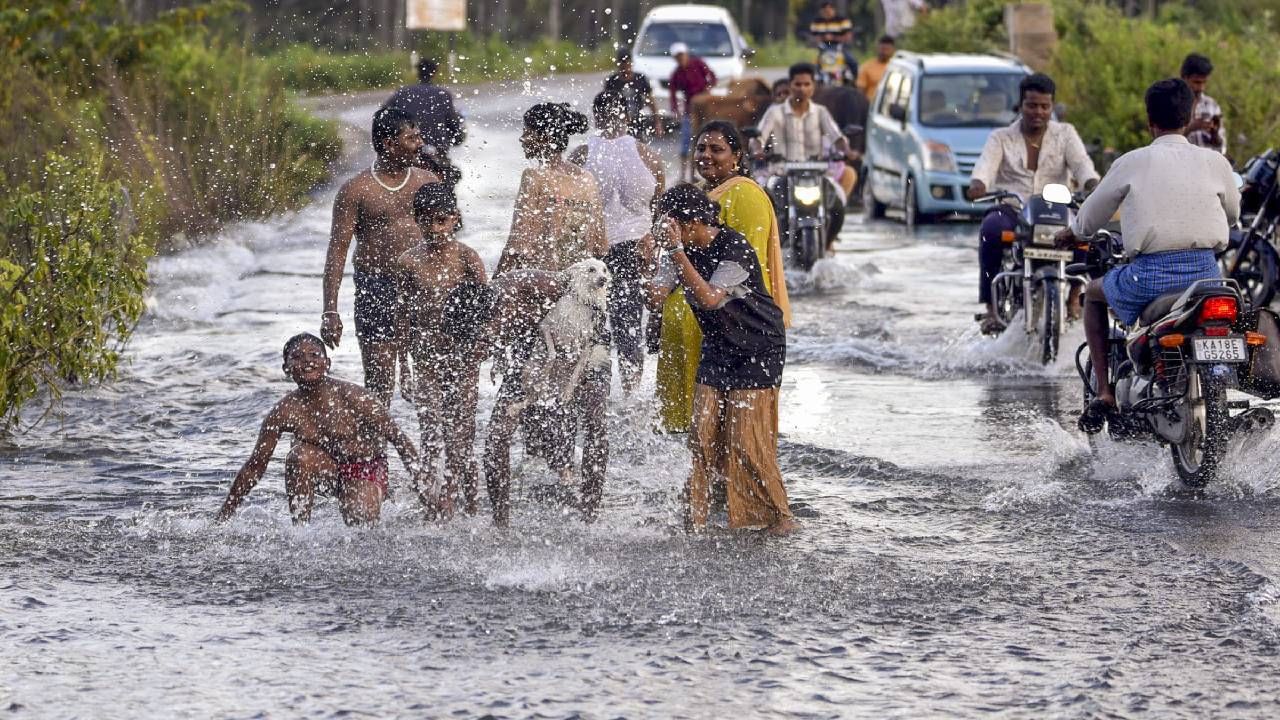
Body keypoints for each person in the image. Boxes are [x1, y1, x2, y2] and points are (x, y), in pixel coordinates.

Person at [1056, 79, 1240, 432]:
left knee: (1093, 294)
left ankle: (1105, 393)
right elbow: (1232, 215)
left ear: (1149, 121)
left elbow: (1091, 216)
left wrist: (1072, 234)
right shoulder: (1215, 162)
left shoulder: (1132, 162)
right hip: (1207, 275)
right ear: (1188, 118)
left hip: (1149, 276)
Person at [646, 185, 794, 534]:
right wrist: (647, 260)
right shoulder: (676, 252)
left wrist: (678, 253)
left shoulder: (734, 246)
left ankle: (779, 517)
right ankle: (696, 516)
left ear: (694, 222)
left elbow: (711, 298)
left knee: (746, 441)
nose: (668, 233)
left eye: (672, 226)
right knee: (701, 437)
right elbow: (655, 296)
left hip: (758, 346)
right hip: (718, 346)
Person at [440, 274, 610, 527]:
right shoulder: (480, 313)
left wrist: (574, 365)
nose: (476, 353)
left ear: (493, 316)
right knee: (497, 436)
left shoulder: (536, 287)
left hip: (585, 341)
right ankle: (500, 525)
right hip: (533, 349)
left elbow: (597, 304)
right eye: (468, 346)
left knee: (595, 422)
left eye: (480, 342)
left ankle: (590, 514)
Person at [655, 121, 791, 433]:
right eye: (701, 148)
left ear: (737, 156)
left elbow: (742, 270)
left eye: (717, 149)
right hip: (693, 323)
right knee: (688, 437)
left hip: (726, 328)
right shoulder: (697, 196)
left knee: (729, 434)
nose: (706, 155)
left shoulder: (745, 196)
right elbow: (674, 265)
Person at [215, 333, 428, 525]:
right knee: (298, 456)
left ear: (327, 363)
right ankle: (301, 532)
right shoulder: (284, 411)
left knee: (360, 521)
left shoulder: (355, 396)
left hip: (365, 468)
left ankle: (382, 492)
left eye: (314, 355)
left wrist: (426, 493)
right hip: (327, 470)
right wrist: (225, 514)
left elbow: (400, 441)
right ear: (286, 369)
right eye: (297, 357)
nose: (307, 361)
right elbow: (256, 466)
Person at [322, 107, 440, 405]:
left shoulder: (429, 182)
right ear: (389, 143)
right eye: (412, 138)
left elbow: (448, 240)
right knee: (379, 384)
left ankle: (430, 451)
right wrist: (330, 312)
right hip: (376, 288)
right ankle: (375, 452)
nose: (420, 144)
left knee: (431, 384)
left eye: (420, 137)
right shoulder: (356, 190)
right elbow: (337, 252)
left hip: (423, 289)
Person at [966, 73, 1100, 335]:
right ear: (1020, 106)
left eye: (1044, 106)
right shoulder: (1000, 137)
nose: (1038, 112)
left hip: (1056, 208)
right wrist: (978, 184)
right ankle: (992, 308)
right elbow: (984, 169)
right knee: (991, 230)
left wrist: (1092, 184)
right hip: (1014, 209)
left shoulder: (1066, 134)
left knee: (1087, 229)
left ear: (1051, 107)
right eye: (1032, 105)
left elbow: (1083, 167)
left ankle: (1075, 294)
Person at [394, 184, 487, 518]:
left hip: (463, 356)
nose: (435, 229)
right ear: (416, 222)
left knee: (462, 428)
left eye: (442, 220)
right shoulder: (408, 262)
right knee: (431, 429)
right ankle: (432, 497)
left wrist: (484, 351)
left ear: (455, 219)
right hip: (426, 356)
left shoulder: (467, 258)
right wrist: (402, 368)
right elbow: (401, 316)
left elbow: (485, 311)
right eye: (427, 222)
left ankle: (458, 498)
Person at [570, 91, 666, 393]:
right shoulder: (648, 156)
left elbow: (570, 211)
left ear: (596, 117)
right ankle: (631, 392)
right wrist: (652, 243)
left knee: (591, 323)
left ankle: (591, 391)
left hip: (595, 252)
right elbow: (659, 210)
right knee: (629, 323)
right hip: (634, 246)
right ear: (629, 117)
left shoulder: (582, 155)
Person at [496, 103, 607, 275]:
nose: (522, 138)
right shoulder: (587, 179)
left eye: (527, 132)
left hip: (544, 282)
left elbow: (517, 245)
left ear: (545, 138)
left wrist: (493, 286)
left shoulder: (535, 176)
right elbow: (600, 246)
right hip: (580, 283)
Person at [758, 63, 859, 202]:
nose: (802, 89)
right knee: (764, 200)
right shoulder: (774, 113)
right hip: (781, 173)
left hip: (817, 173)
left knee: (838, 199)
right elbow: (758, 138)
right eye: (798, 84)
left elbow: (837, 137)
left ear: (813, 86)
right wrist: (757, 150)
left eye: (807, 84)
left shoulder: (821, 112)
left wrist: (847, 151)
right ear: (790, 85)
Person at [381, 57, 465, 187]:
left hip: (407, 155)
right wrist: (458, 137)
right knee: (449, 183)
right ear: (434, 73)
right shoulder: (443, 94)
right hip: (437, 156)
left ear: (418, 72)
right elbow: (454, 126)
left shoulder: (402, 93)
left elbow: (383, 116)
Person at [668, 42, 717, 181]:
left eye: (681, 55)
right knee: (686, 142)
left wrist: (709, 87)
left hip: (705, 107)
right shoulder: (677, 74)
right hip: (690, 110)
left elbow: (712, 76)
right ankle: (685, 174)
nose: (680, 59)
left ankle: (701, 172)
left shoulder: (698, 64)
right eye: (677, 57)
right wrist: (675, 109)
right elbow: (672, 93)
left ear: (686, 54)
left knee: (706, 139)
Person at [603, 49, 665, 139]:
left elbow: (651, 101)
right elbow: (606, 105)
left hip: (637, 121)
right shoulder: (612, 81)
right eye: (622, 67)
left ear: (631, 64)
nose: (625, 69)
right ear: (618, 65)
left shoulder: (640, 79)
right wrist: (606, 126)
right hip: (618, 123)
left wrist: (657, 122)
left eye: (627, 65)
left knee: (638, 147)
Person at [1180, 53, 1226, 156]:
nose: (1201, 88)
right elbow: (1165, 141)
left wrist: (1214, 134)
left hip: (1207, 166)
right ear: (1184, 78)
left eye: (1204, 82)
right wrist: (1191, 128)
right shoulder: (1173, 103)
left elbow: (1221, 147)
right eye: (1196, 82)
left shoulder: (1212, 105)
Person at [809, 0, 858, 85]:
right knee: (813, 66)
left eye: (829, 10)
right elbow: (813, 37)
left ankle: (855, 82)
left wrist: (834, 38)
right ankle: (815, 83)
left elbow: (848, 36)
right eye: (825, 11)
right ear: (821, 11)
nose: (827, 13)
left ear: (834, 10)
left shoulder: (842, 20)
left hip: (840, 48)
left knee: (852, 62)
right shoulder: (816, 22)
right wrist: (822, 39)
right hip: (823, 48)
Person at [856, 35, 896, 102]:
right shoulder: (867, 67)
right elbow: (860, 91)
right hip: (871, 106)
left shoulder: (897, 68)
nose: (884, 53)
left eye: (887, 50)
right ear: (877, 48)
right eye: (883, 49)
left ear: (893, 50)